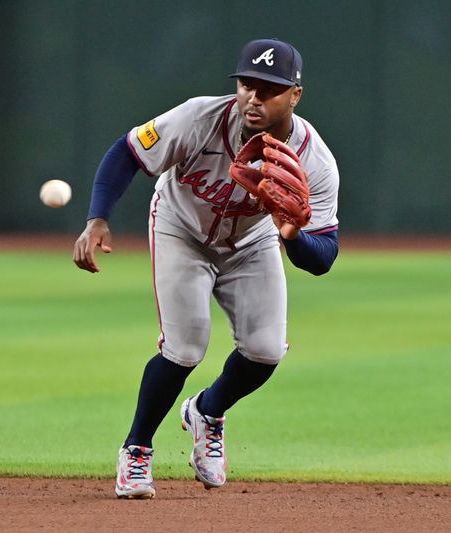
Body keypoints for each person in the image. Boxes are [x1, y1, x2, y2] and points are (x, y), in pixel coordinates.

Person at [73, 38, 340, 499]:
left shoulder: (314, 159)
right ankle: (136, 450)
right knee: (185, 346)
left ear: (295, 95)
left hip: (251, 241)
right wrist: (97, 218)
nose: (253, 97)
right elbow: (128, 152)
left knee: (266, 350)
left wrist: (294, 236)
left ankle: (207, 411)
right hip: (181, 229)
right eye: (246, 84)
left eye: (269, 89)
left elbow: (326, 256)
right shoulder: (199, 117)